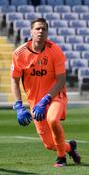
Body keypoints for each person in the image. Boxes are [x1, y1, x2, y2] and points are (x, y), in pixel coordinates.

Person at [10, 18, 81, 167]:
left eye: (44, 29)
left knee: (53, 119)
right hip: (35, 101)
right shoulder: (19, 54)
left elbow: (61, 80)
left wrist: (46, 99)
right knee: (49, 144)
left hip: (55, 95)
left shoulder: (55, 51)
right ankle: (69, 147)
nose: (41, 31)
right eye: (37, 29)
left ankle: (61, 158)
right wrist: (18, 106)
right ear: (31, 32)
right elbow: (14, 80)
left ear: (47, 32)